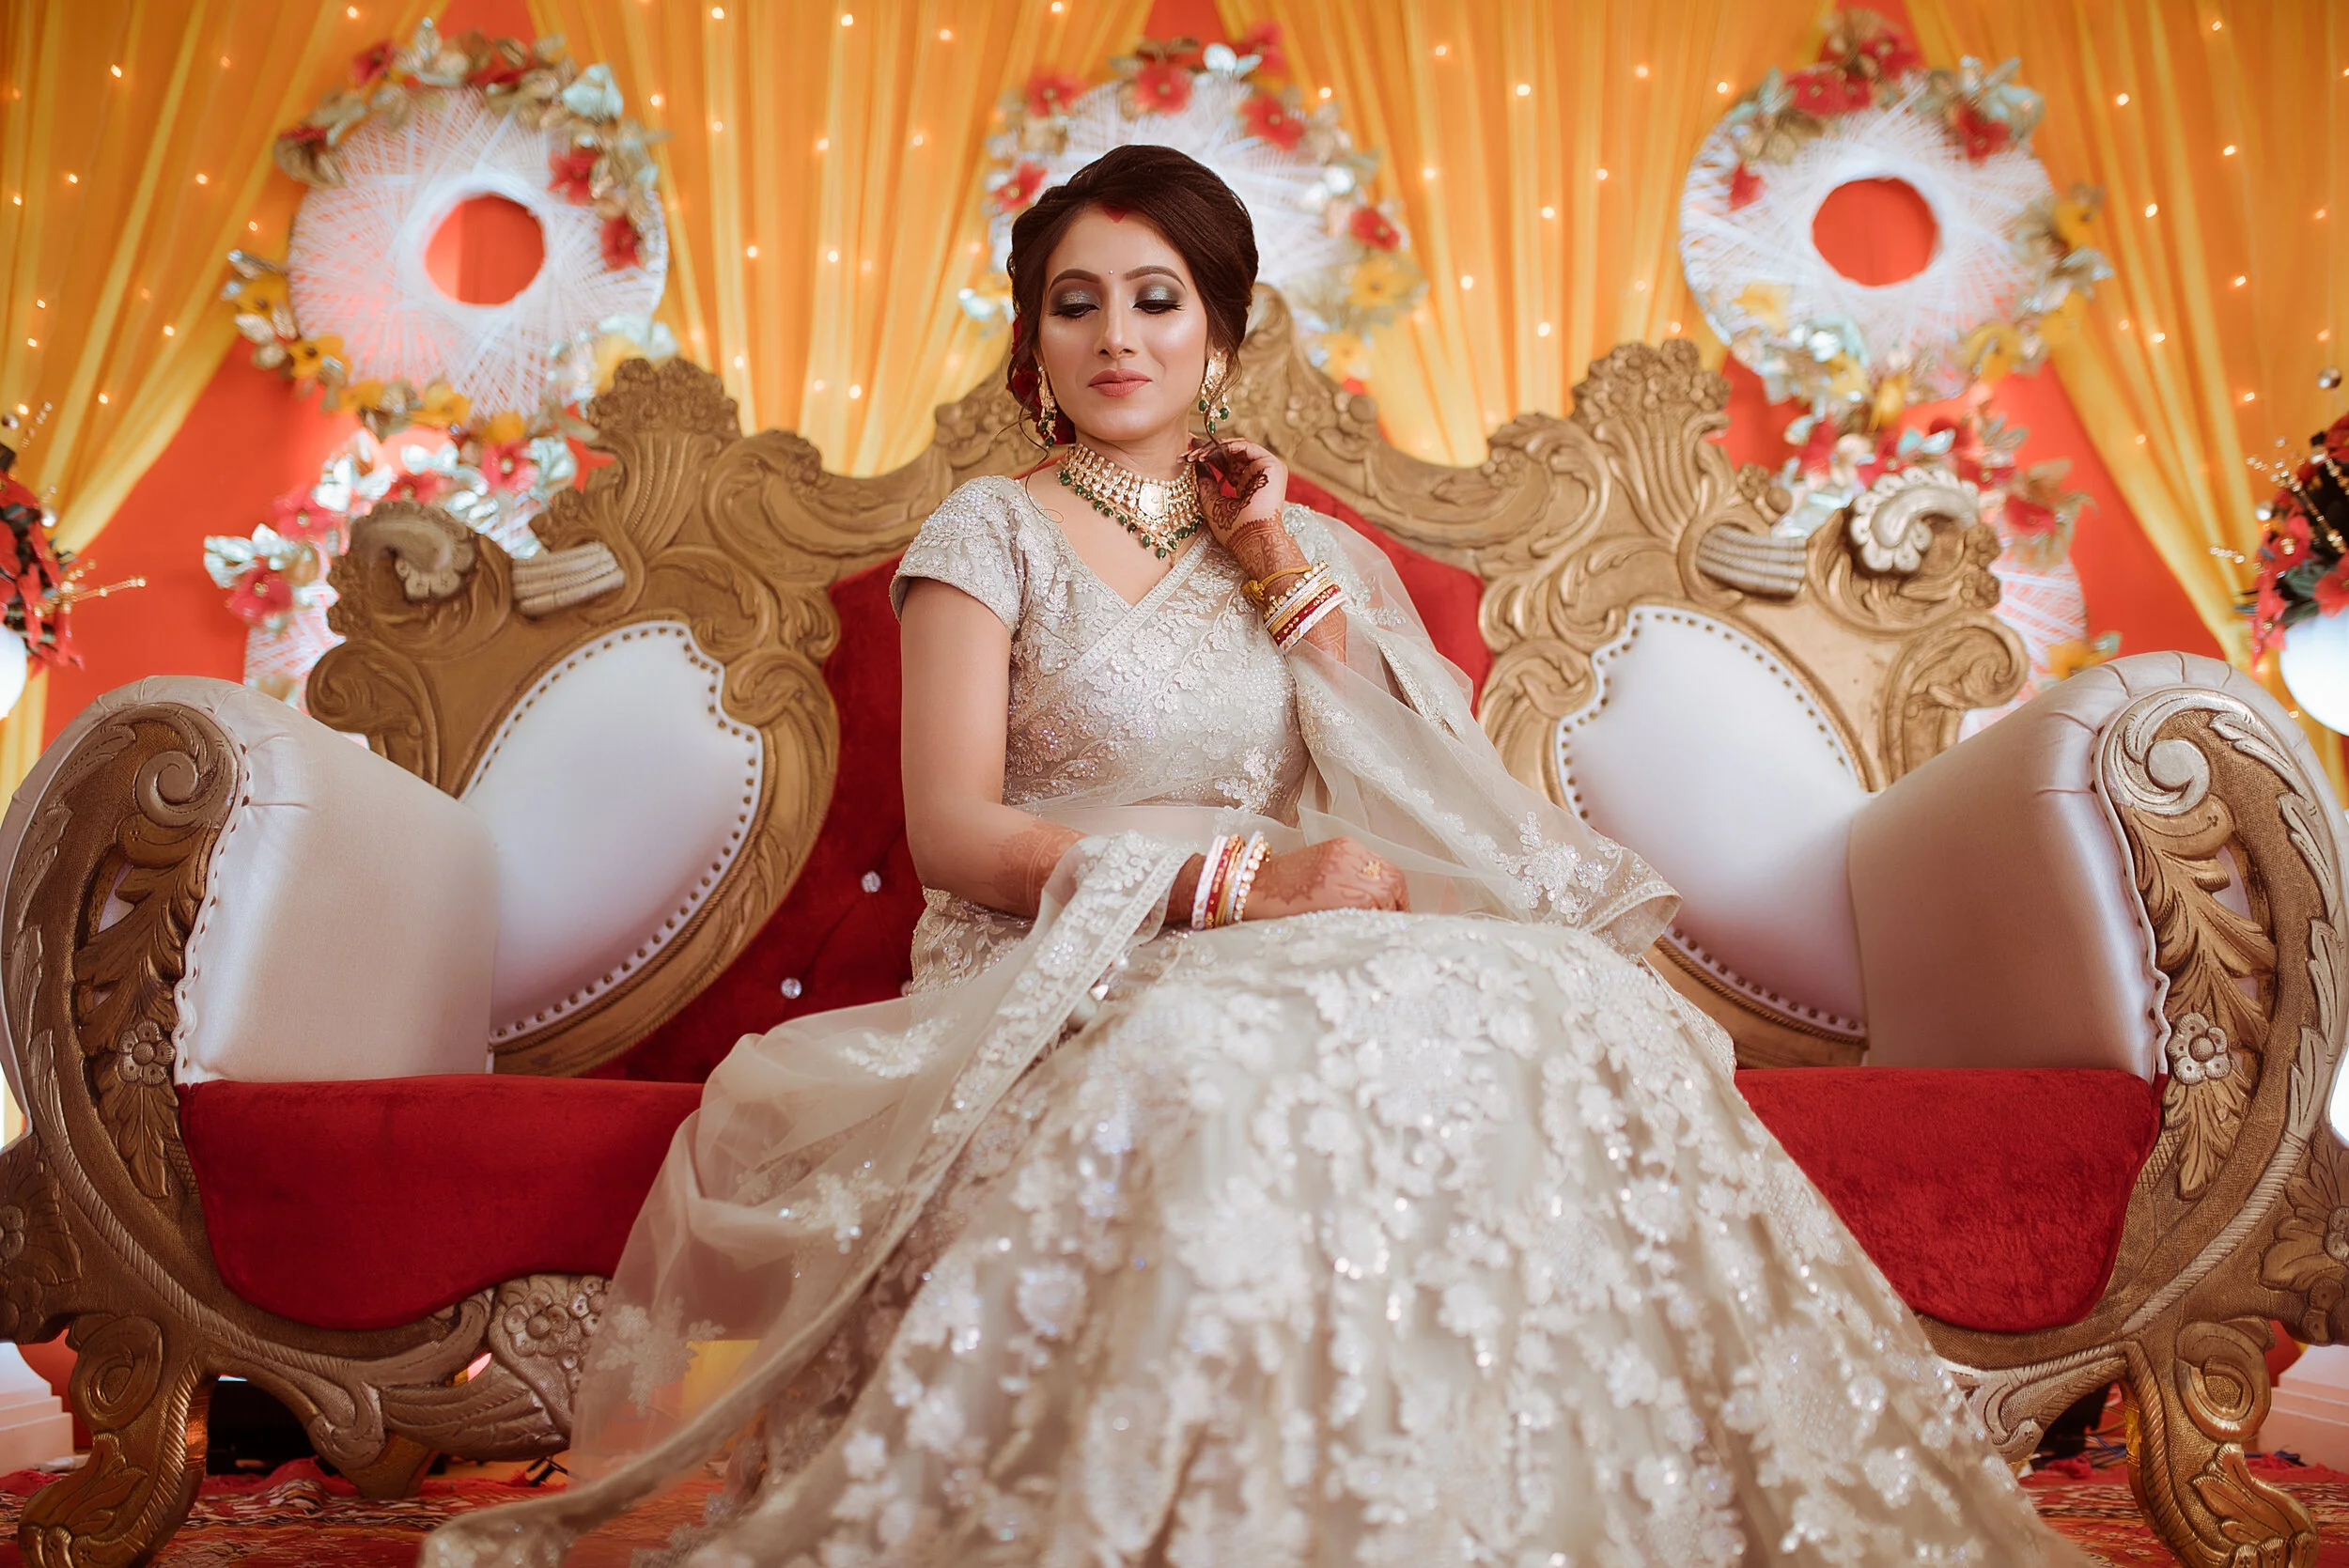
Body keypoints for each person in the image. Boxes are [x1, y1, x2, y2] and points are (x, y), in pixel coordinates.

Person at [427, 145, 2088, 1567]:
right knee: (1212, 1050)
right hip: (1074, 946)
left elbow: (1411, 787)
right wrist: (1233, 888)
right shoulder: (986, 535)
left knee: (1571, 1003)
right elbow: (953, 836)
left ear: (1217, 327)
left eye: (1155, 297)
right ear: (1032, 338)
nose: (1116, 335)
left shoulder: (1300, 550)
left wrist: (1274, 554)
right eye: (1076, 301)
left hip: (1304, 923)